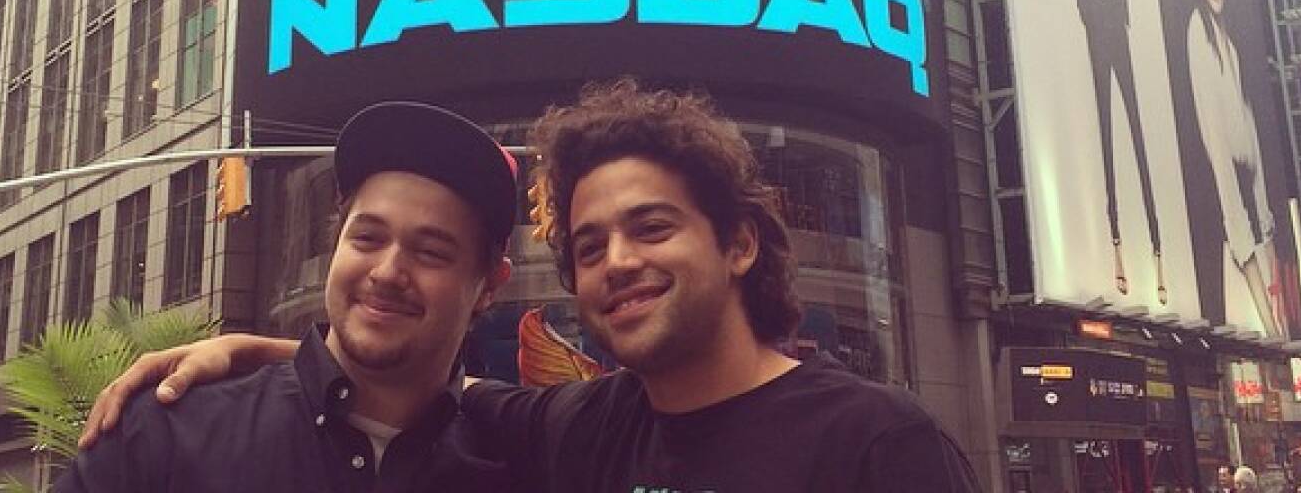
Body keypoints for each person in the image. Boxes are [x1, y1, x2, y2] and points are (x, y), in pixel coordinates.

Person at [82, 80, 983, 493]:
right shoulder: (581, 428)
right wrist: (257, 352)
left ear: (740, 243)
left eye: (652, 227)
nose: (617, 261)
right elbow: (404, 377)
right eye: (589, 245)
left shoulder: (879, 444)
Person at [59, 102, 518, 491]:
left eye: (430, 252)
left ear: (489, 286)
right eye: (367, 238)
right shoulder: (164, 432)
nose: (387, 272)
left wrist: (246, 346)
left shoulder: (524, 464)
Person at [1068, 0, 1165, 301]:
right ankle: (1116, 241)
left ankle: (1156, 244)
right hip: (1092, 8)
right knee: (1105, 123)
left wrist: (1122, 5)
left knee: (1135, 123)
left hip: (1115, 9)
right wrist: (1083, 0)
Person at [1184, 0, 1284, 337]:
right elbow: (1220, 161)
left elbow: (1251, 151)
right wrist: (1273, 327)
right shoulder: (1197, 35)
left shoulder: (1230, 46)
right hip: (1235, 254)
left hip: (1256, 235)